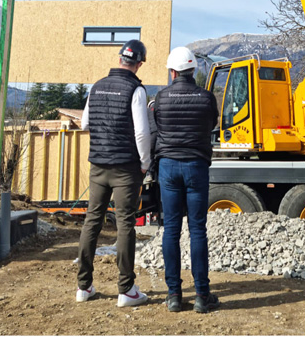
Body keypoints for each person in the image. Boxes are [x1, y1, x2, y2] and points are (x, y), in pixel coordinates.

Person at [76, 39, 151, 307]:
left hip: (98, 165)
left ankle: (83, 287)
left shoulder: (96, 87)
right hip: (125, 168)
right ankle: (126, 289)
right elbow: (141, 132)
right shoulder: (136, 90)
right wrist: (145, 163)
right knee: (125, 224)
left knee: (92, 222)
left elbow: (85, 122)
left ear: (120, 59)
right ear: (139, 63)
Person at [152, 46, 220, 314]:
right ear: (193, 70)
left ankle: (174, 296)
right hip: (196, 165)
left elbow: (157, 125)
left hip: (168, 166)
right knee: (198, 230)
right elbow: (211, 125)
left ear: (172, 72)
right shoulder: (206, 98)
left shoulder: (161, 97)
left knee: (171, 229)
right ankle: (202, 295)